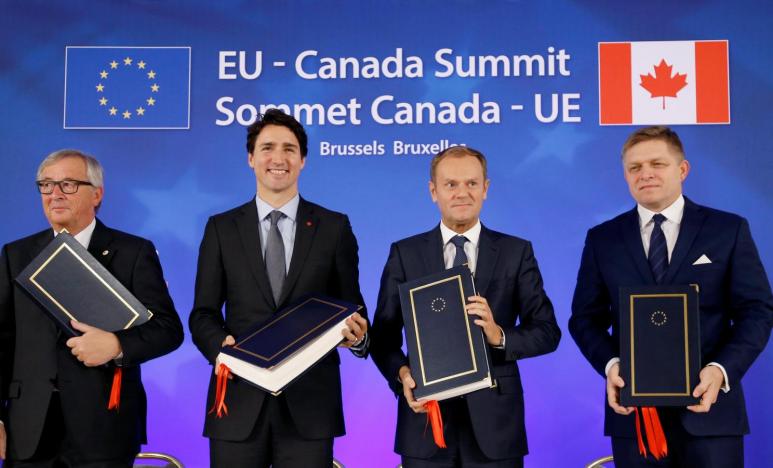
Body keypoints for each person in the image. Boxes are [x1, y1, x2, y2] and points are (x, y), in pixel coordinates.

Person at [569, 126, 773, 467]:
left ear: (682, 169)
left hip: (711, 414)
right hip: (633, 415)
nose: (645, 173)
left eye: (657, 164)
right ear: (625, 175)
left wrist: (721, 371)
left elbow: (757, 312)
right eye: (635, 167)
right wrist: (612, 366)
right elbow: (585, 319)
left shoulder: (728, 229)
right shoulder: (603, 239)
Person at [189, 109, 368, 468]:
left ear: (302, 160)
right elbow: (203, 313)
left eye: (289, 148)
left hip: (310, 407)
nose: (278, 158)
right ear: (251, 158)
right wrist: (219, 348)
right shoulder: (221, 229)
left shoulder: (333, 227)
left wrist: (360, 339)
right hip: (237, 401)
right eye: (267, 147)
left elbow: (352, 308)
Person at [370, 145, 561, 467]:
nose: (462, 193)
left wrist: (498, 335)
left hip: (496, 426)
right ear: (434, 191)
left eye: (472, 183)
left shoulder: (516, 252)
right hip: (425, 421)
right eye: (451, 184)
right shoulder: (405, 253)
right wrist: (402, 375)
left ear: (486, 188)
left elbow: (547, 332)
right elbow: (383, 337)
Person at [0, 149, 183, 467]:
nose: (54, 194)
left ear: (97, 194)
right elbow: (2, 341)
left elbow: (168, 330)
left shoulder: (133, 252)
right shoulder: (16, 255)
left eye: (68, 184)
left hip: (104, 430)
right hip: (28, 431)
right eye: (46, 185)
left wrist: (116, 345)